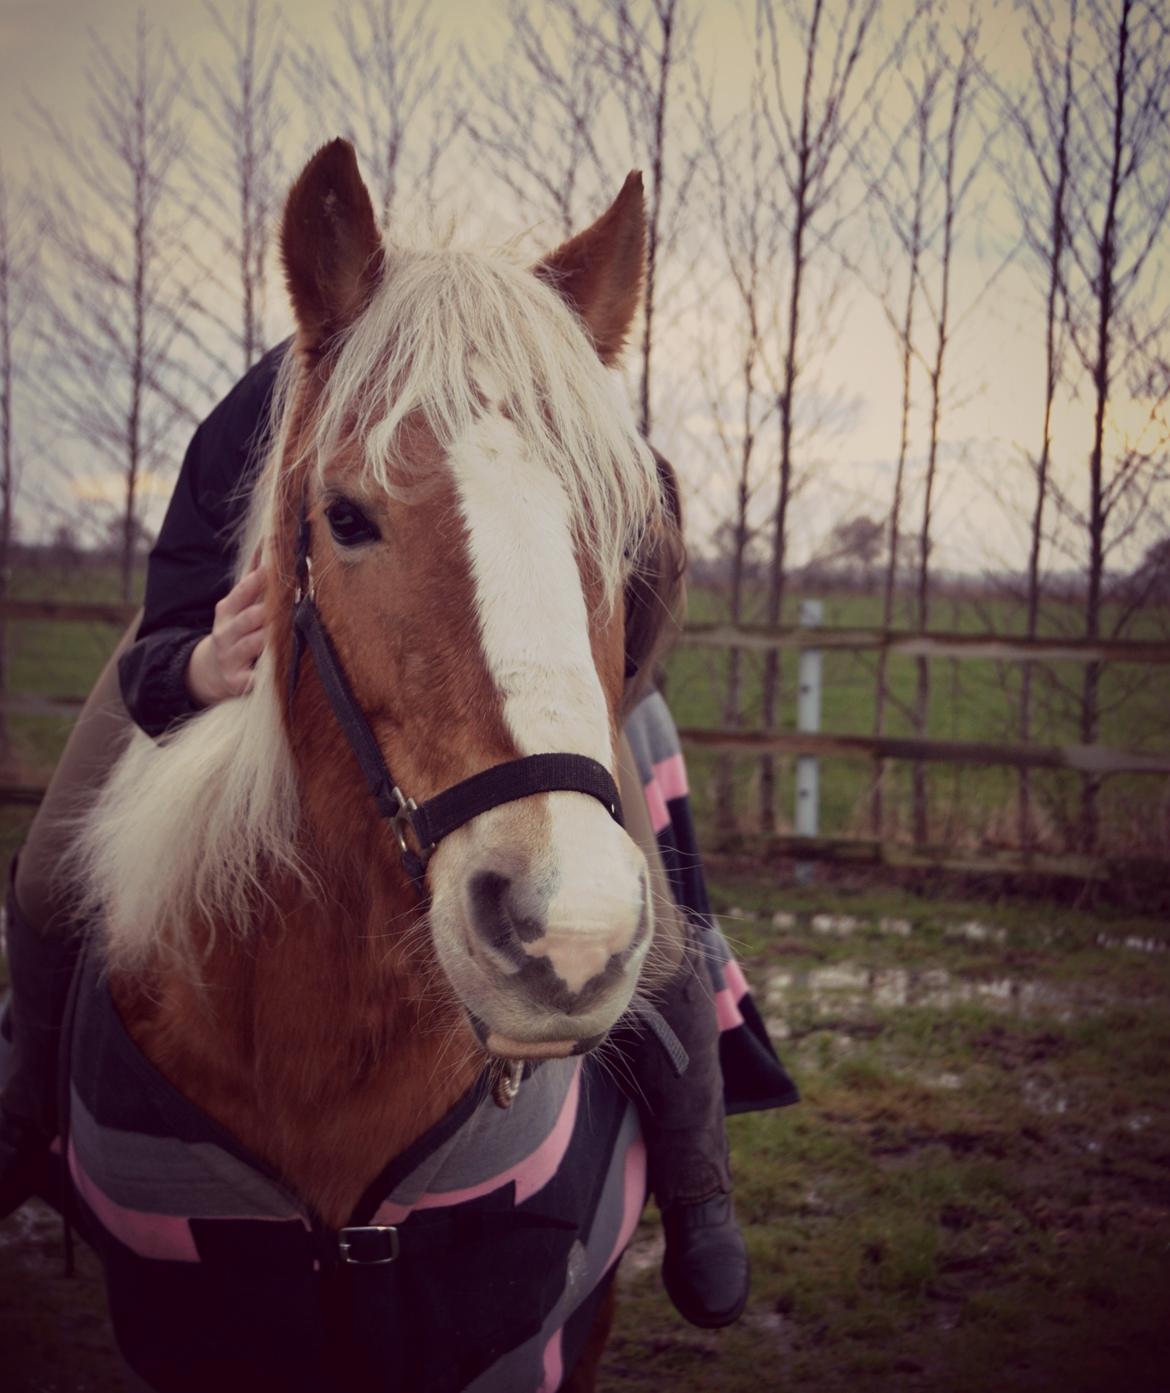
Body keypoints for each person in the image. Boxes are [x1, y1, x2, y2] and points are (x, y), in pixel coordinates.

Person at [0, 342, 786, 1330]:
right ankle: (30, 1113)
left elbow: (628, 559)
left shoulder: (537, 396)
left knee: (650, 912)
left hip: (482, 645)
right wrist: (197, 664)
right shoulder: (261, 407)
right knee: (48, 876)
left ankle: (699, 1183)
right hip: (240, 643)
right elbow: (171, 605)